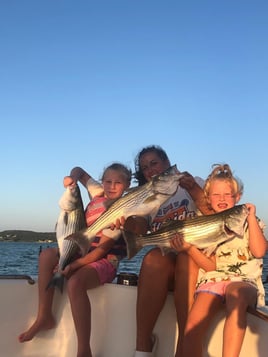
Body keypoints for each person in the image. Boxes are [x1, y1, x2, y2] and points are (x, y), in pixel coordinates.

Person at [18, 162, 132, 357]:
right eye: (108, 181)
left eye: (118, 183)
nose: (112, 186)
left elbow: (100, 251)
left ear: (127, 186)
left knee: (75, 283)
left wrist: (72, 266)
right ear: (102, 181)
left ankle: (83, 349)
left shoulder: (121, 212)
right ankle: (44, 315)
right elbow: (79, 171)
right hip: (80, 250)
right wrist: (71, 179)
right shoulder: (96, 192)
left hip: (105, 260)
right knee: (46, 255)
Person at [170, 164, 267, 357]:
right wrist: (188, 247)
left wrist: (252, 217)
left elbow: (259, 251)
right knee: (192, 326)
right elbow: (210, 265)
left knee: (236, 295)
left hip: (243, 280)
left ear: (237, 197)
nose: (222, 199)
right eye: (216, 195)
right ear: (208, 199)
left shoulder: (249, 222)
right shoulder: (205, 226)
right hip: (212, 280)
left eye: (227, 194)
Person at [130, 145, 212, 357]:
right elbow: (137, 229)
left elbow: (213, 212)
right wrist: (128, 219)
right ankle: (142, 346)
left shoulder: (195, 183)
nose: (150, 170)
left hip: (195, 261)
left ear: (167, 163)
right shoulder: (147, 199)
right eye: (145, 168)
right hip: (164, 267)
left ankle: (185, 347)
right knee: (153, 258)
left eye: (154, 163)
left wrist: (194, 188)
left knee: (187, 256)